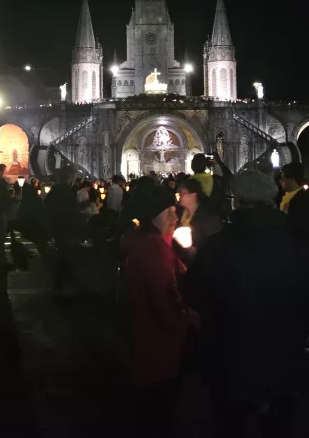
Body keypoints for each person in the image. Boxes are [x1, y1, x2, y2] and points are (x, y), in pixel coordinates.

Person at [186, 172, 309, 437]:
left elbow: (194, 295)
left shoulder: (217, 247)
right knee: (277, 424)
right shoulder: (297, 244)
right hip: (282, 355)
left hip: (229, 357)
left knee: (232, 424)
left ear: (236, 201)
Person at [126, 187, 196, 437]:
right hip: (156, 350)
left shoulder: (154, 244)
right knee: (159, 415)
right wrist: (193, 319)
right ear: (153, 216)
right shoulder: (152, 251)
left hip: (153, 349)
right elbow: (165, 304)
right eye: (169, 213)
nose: (175, 219)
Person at [178, 176, 224, 251]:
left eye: (183, 193)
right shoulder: (179, 214)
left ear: (194, 195)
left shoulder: (208, 217)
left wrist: (196, 250)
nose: (180, 196)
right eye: (179, 194)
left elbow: (215, 245)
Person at [280, 162, 309, 243]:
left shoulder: (302, 199)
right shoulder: (283, 196)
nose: (281, 181)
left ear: (292, 179)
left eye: (283, 178)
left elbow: (303, 225)